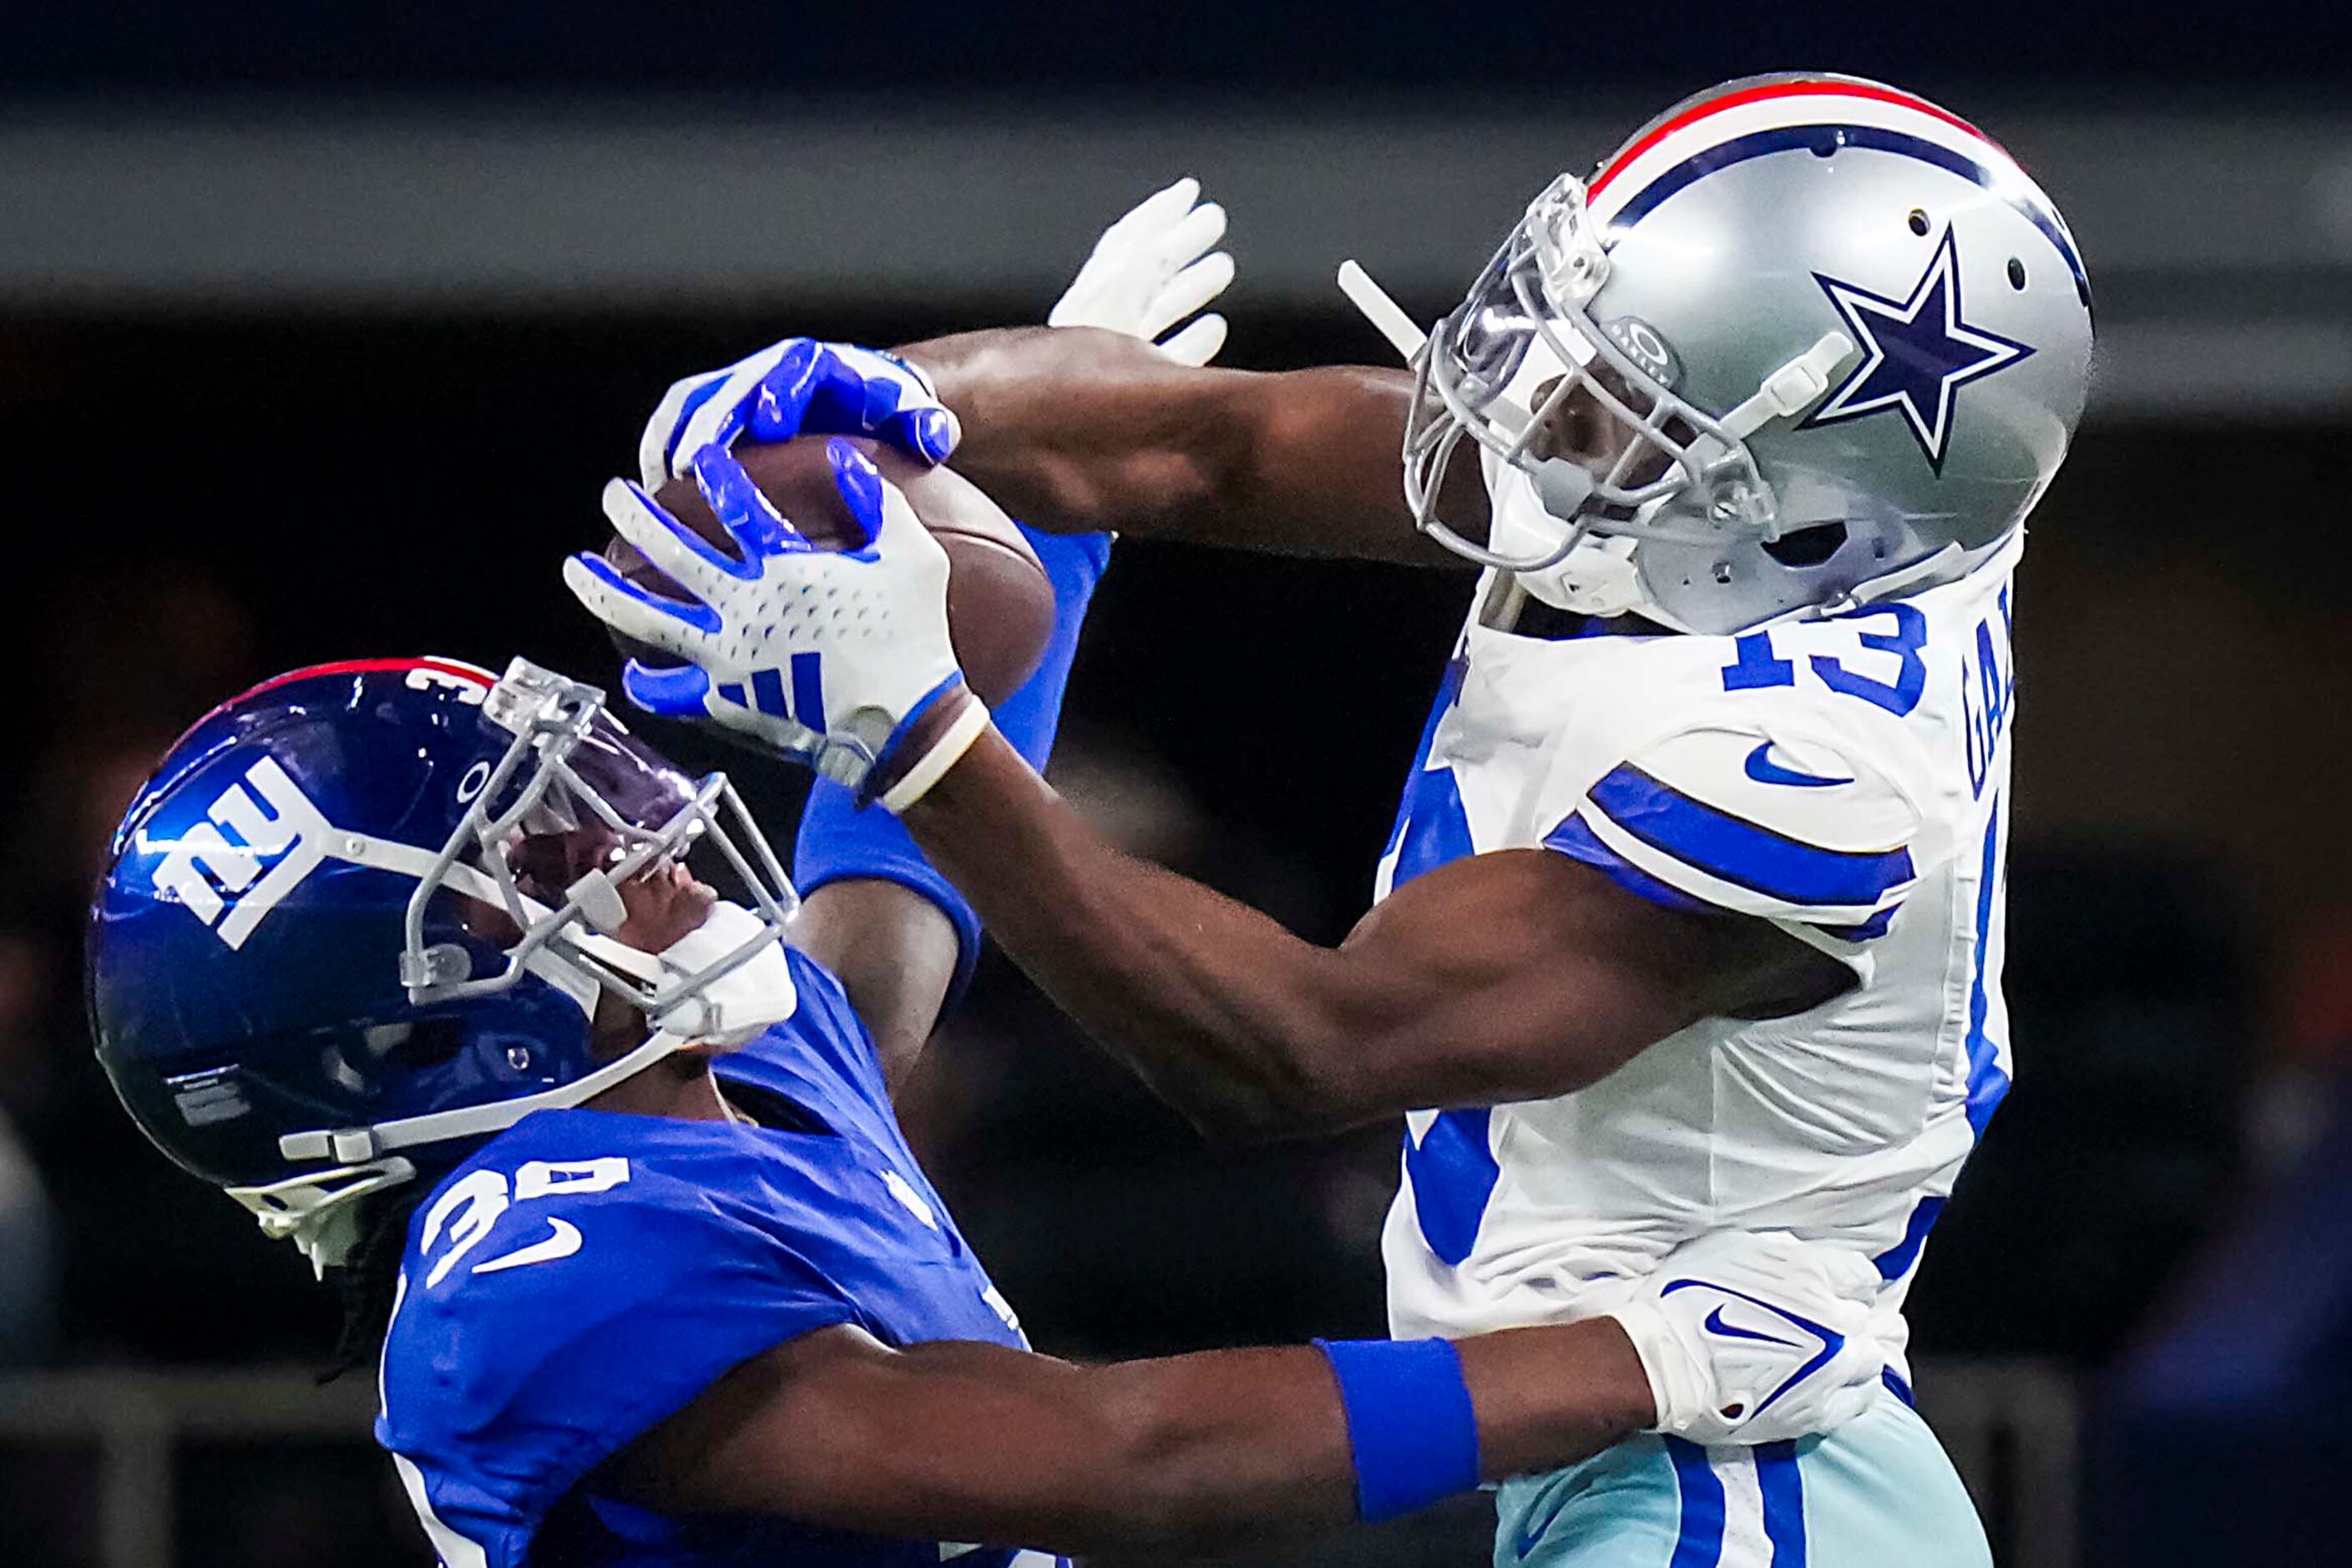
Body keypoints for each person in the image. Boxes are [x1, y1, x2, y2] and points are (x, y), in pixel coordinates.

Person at [578, 70, 2092, 1568]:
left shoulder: (1820, 770)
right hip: (1649, 1453)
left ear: (1804, 514)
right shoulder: (1807, 515)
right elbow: (1196, 445)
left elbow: (1303, 1046)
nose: (1536, 409)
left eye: (1624, 405)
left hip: (1741, 1481)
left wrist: (919, 735)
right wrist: (881, 406)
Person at [88, 642, 1884, 1567]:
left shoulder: (709, 1081)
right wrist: (1631, 1362)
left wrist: (1001, 480)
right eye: (540, 855)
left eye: (576, 793)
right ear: (405, 1037)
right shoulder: (519, 1271)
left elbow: (887, 831)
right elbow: (1119, 1461)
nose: (628, 837)